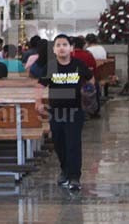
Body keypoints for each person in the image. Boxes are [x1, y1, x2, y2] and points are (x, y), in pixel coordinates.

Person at [36, 34, 95, 191]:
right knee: (59, 143)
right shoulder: (50, 67)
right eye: (58, 45)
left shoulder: (78, 65)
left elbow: (91, 79)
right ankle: (65, 170)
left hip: (75, 110)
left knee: (73, 144)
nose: (61, 47)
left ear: (70, 48)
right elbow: (40, 87)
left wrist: (88, 92)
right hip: (56, 112)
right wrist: (38, 102)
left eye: (64, 44)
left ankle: (75, 177)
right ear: (54, 50)